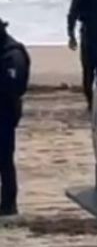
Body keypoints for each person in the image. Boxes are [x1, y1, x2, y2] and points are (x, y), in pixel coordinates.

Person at [0, 17, 30, 218]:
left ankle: (9, 205)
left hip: (4, 114)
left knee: (4, 161)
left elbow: (15, 87)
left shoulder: (12, 55)